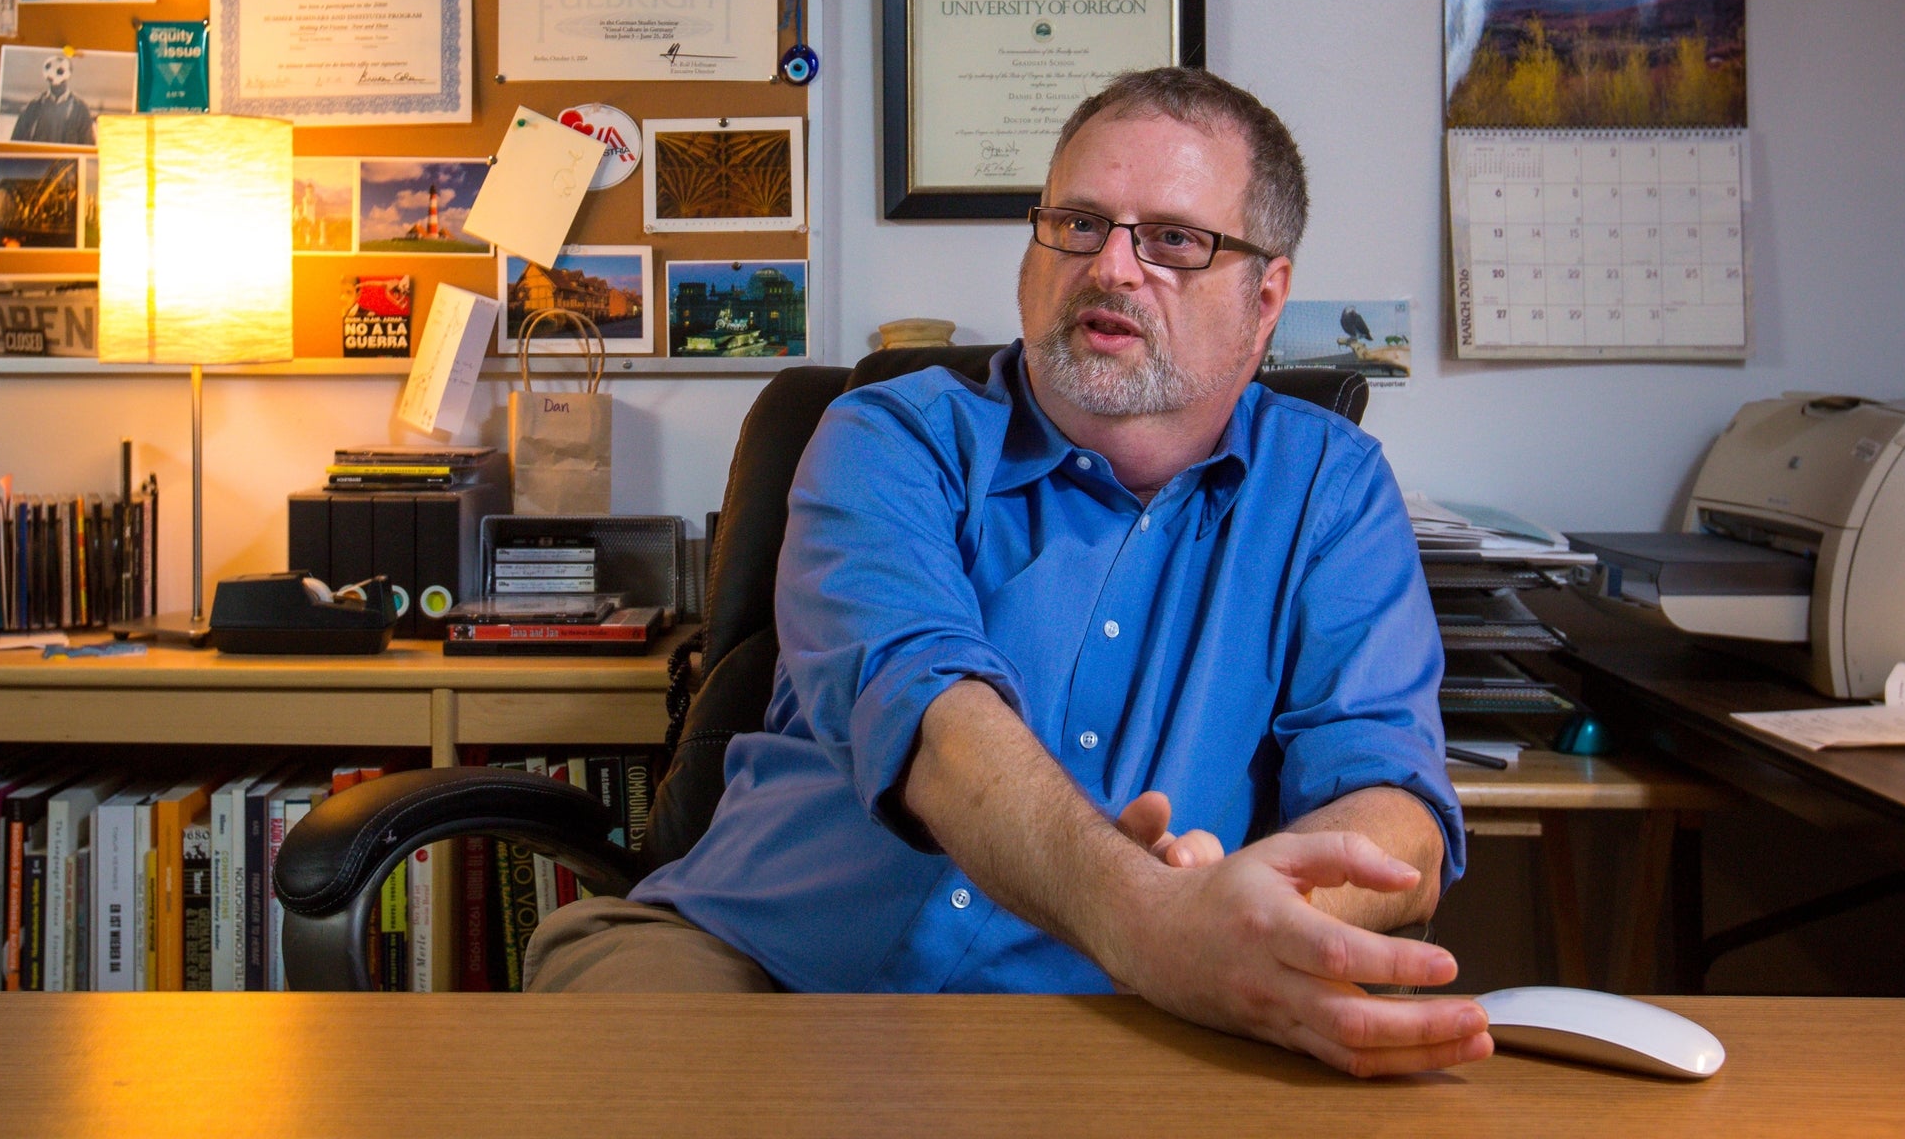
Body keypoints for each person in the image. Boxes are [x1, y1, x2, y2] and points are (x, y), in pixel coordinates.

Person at [523, 66, 1490, 1080]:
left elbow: (1395, 810)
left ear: (1266, 296)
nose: (1112, 266)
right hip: (760, 962)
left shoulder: (1329, 490)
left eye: (1173, 238)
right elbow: (935, 719)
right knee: (620, 1080)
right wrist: (1152, 915)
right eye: (1077, 222)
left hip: (1123, 1013)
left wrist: (1250, 922)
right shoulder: (890, 438)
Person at [10, 53, 97, 147]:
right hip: (39, 159)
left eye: (60, 71)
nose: (54, 75)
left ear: (69, 74)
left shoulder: (81, 109)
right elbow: (16, 141)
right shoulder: (33, 106)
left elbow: (88, 144)